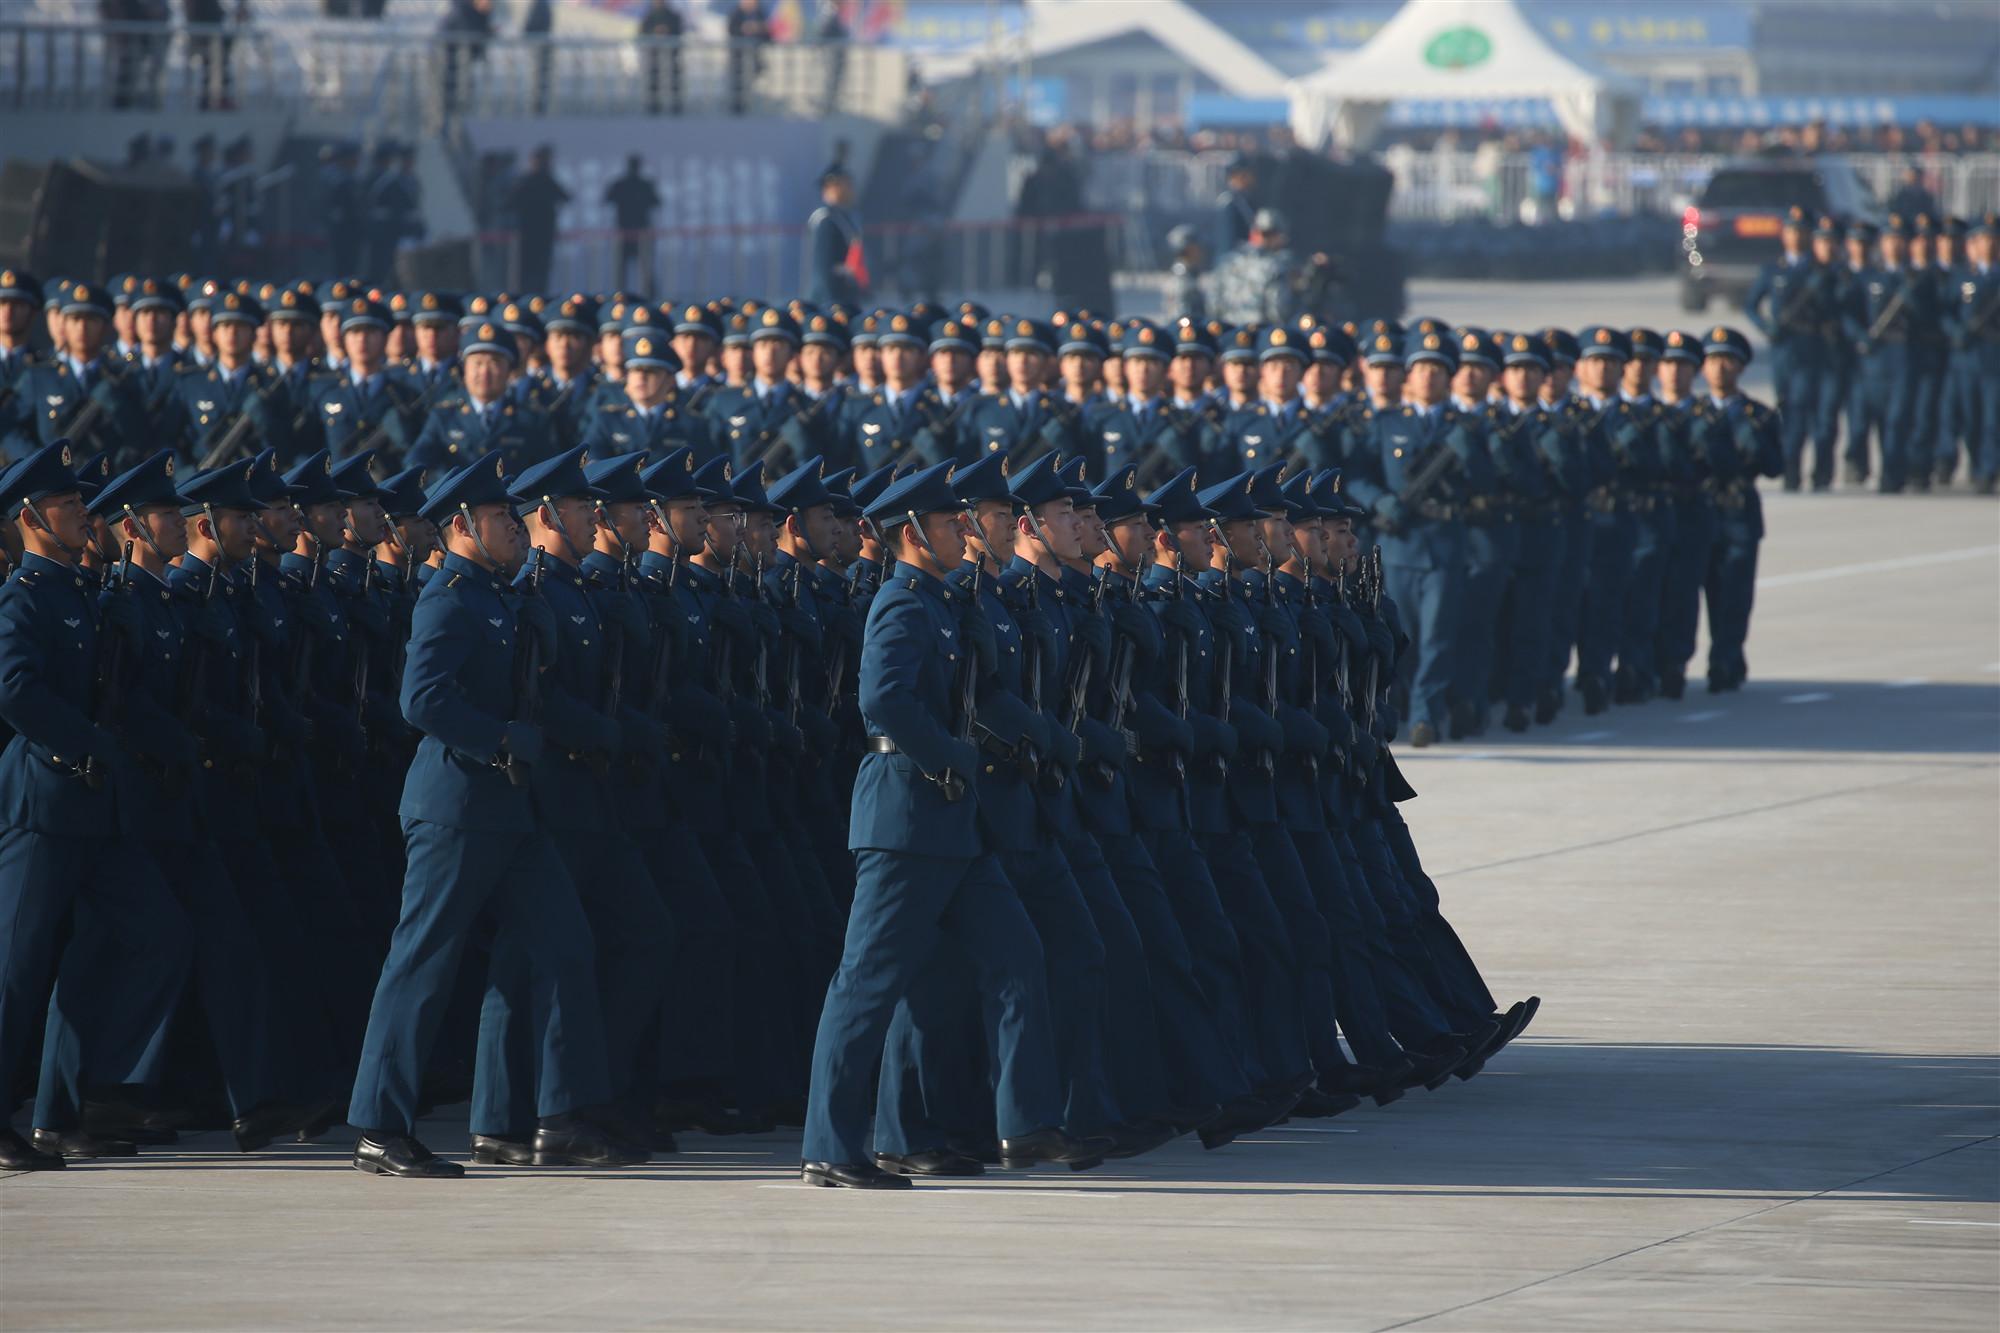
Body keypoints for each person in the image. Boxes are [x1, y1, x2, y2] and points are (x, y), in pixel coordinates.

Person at [799, 459, 1098, 1189]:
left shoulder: (946, 602)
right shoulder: (900, 604)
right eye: (947, 523)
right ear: (911, 534)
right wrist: (954, 752)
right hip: (905, 816)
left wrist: (1045, 736)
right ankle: (830, 1146)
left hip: (954, 822)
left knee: (1018, 956)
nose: (962, 532)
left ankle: (1025, 1123)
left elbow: (985, 689)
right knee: (867, 985)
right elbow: (885, 703)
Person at [344, 451, 625, 1177]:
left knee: (565, 944)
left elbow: (528, 692)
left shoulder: (502, 596)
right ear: (462, 525)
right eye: (502, 516)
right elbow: (423, 699)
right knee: (423, 965)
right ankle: (379, 1125)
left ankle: (558, 1117)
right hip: (458, 805)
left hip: (509, 808)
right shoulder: (449, 597)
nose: (515, 525)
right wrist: (502, 738)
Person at [504, 146, 572, 295]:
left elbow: (510, 204)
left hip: (530, 233)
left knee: (528, 271)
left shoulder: (528, 181)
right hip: (540, 233)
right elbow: (566, 197)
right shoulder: (543, 180)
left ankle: (527, 298)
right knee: (539, 271)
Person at [805, 164, 865, 309]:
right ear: (833, 186)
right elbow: (824, 267)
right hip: (832, 301)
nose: (851, 189)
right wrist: (831, 303)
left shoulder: (843, 217)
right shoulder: (826, 220)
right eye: (847, 184)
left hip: (845, 296)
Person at [604, 156, 662, 294]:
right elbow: (656, 202)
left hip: (633, 232)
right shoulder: (644, 185)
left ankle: (621, 296)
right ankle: (647, 296)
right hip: (634, 232)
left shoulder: (621, 184)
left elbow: (608, 199)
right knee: (640, 267)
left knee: (627, 269)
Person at [726, 0, 770, 116]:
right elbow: (731, 30)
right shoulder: (735, 13)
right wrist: (744, 29)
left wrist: (758, 29)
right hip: (739, 59)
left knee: (757, 85)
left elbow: (768, 34)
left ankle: (756, 107)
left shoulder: (760, 13)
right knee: (738, 86)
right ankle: (737, 110)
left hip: (755, 58)